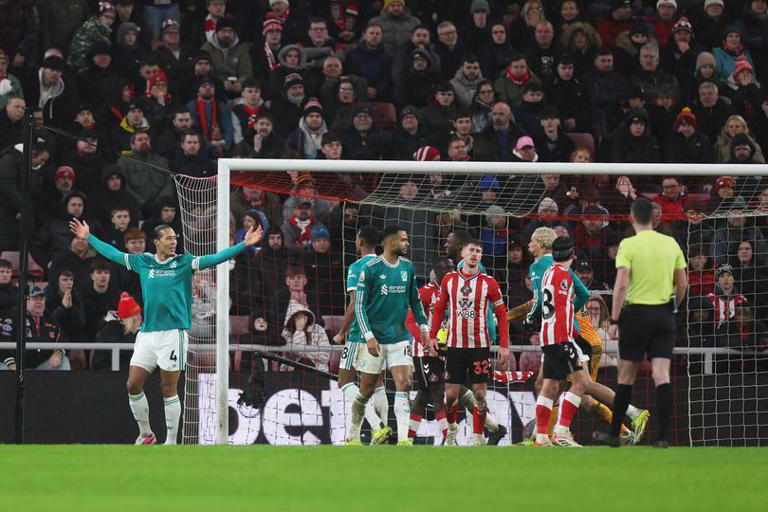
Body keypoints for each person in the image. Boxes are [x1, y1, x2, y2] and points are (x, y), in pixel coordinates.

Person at [69, 217, 262, 445]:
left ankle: (171, 442)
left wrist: (243, 244)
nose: (173, 242)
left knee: (168, 388)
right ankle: (146, 434)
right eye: (168, 238)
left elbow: (214, 258)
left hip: (173, 334)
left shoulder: (184, 262)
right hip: (147, 334)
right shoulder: (143, 261)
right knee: (132, 385)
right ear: (156, 242)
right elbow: (114, 254)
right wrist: (89, 238)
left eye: (174, 238)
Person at [594, 198, 687, 448]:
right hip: (664, 314)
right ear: (654, 218)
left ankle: (615, 434)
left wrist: (614, 319)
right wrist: (672, 307)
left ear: (632, 218)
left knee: (626, 375)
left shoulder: (629, 244)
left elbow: (622, 283)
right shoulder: (670, 243)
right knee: (661, 374)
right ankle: (663, 437)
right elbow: (683, 283)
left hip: (636, 314)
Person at [347, 225, 430, 446]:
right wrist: (369, 336)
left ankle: (403, 440)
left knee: (404, 383)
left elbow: (415, 300)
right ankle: (352, 434)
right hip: (375, 339)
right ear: (390, 242)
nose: (407, 243)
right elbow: (359, 307)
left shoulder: (407, 267)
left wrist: (424, 327)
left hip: (400, 338)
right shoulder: (370, 269)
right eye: (403, 240)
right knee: (365, 391)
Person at [430, 238, 510, 446]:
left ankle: (478, 436)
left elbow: (502, 315)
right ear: (463, 254)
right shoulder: (449, 280)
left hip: (479, 347)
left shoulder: (489, 283)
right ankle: (452, 431)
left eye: (478, 251)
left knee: (480, 394)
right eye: (471, 250)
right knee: (450, 396)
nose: (475, 254)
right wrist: (432, 336)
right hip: (455, 346)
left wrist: (504, 345)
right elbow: (439, 309)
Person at [332, 226, 391, 444]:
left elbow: (355, 303)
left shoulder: (358, 267)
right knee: (377, 384)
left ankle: (378, 427)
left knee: (344, 381)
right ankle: (356, 437)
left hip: (360, 334)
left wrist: (342, 332)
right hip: (383, 333)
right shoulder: (387, 266)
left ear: (359, 242)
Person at [533, 237, 589, 447]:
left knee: (549, 385)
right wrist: (568, 338)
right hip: (560, 338)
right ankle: (562, 432)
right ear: (572, 254)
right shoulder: (564, 276)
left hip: (547, 338)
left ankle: (541, 437)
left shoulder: (548, 272)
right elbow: (562, 308)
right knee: (581, 382)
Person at [406, 256, 453, 443]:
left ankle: (407, 438)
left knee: (424, 395)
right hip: (424, 351)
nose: (450, 272)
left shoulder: (454, 292)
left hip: (444, 350)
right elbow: (410, 321)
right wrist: (425, 341)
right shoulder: (425, 292)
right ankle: (449, 437)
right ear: (437, 271)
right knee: (438, 391)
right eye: (446, 269)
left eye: (452, 268)